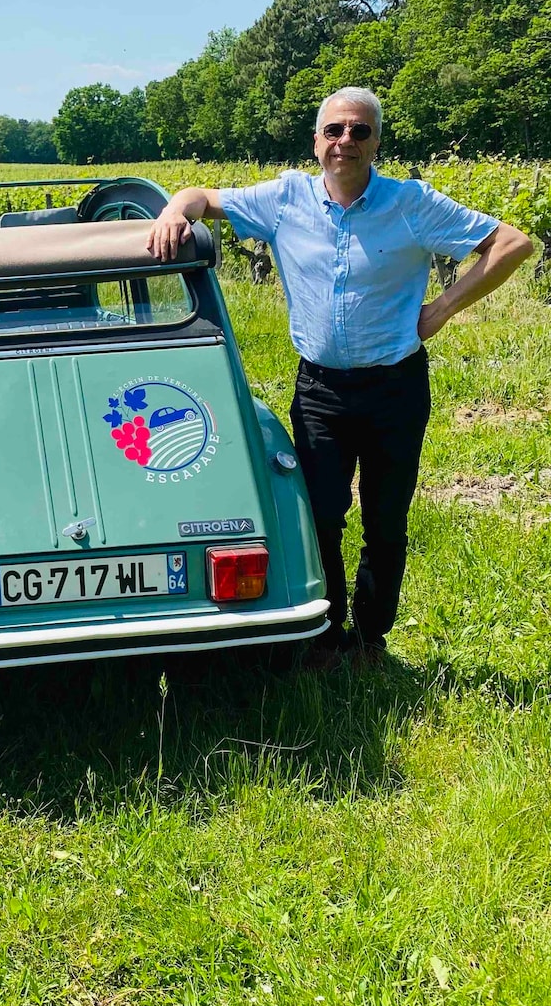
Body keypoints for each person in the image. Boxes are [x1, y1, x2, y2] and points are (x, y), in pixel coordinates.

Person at [148, 87, 533, 656]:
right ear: (316, 141)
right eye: (334, 131)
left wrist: (443, 308)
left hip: (395, 386)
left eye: (359, 131)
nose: (345, 142)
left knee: (386, 519)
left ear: (377, 141)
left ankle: (371, 635)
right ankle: (324, 634)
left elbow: (512, 243)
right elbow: (202, 196)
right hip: (321, 390)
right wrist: (176, 208)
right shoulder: (285, 200)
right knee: (321, 515)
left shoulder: (410, 204)